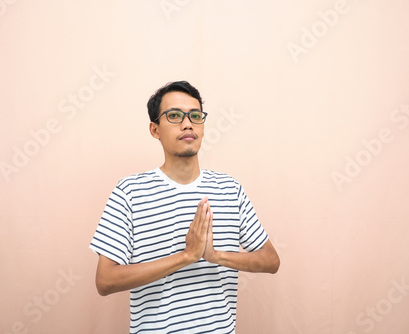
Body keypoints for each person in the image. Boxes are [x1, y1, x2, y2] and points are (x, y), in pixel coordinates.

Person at [89, 81, 280, 333]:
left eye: (195, 116)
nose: (188, 123)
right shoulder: (130, 192)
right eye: (175, 115)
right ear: (154, 129)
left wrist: (215, 256)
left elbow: (270, 261)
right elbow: (105, 281)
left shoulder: (229, 189)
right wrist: (186, 257)